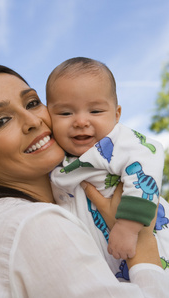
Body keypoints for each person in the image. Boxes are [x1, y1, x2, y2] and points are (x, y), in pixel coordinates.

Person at [0, 64, 168, 298]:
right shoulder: (34, 223)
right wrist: (142, 239)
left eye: (32, 103)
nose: (32, 121)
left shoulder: (4, 220)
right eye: (2, 120)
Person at [46, 57, 168, 262]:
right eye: (65, 113)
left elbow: (149, 155)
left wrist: (129, 227)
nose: (81, 121)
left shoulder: (118, 141)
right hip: (106, 258)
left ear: (116, 114)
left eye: (95, 111)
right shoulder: (56, 157)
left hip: (147, 239)